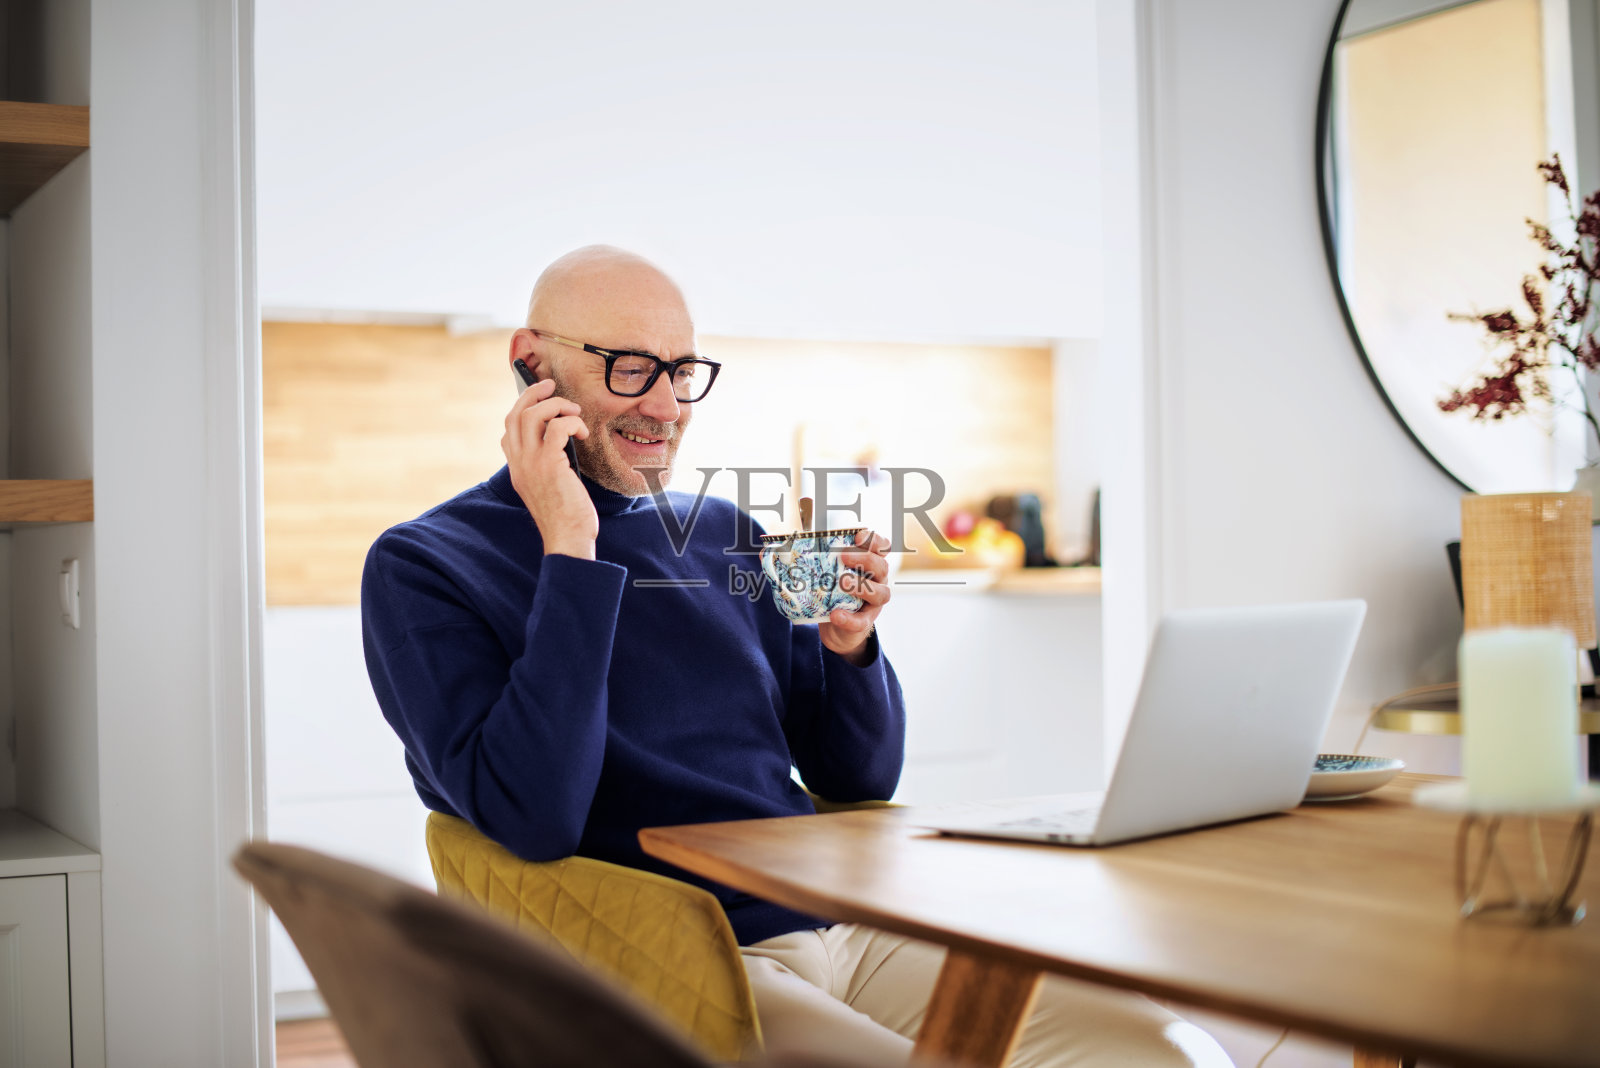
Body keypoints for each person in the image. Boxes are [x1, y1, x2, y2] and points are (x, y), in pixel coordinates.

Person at [361, 246, 1232, 1067]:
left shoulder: (726, 532)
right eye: (628, 367)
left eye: (681, 371)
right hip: (675, 955)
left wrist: (850, 648)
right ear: (530, 363)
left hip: (848, 922)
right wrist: (570, 548)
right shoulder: (425, 564)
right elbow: (533, 816)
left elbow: (857, 778)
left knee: (1164, 1051)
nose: (666, 406)